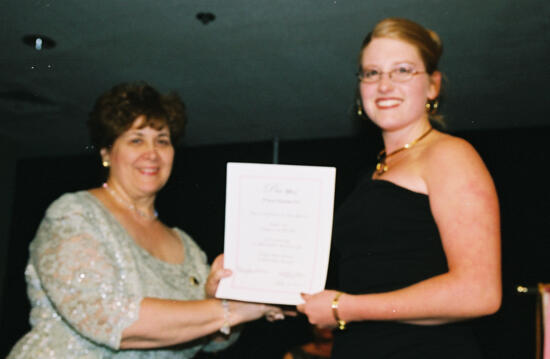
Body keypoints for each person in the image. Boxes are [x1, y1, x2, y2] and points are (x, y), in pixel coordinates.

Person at [7, 82, 283, 358]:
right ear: (106, 153)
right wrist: (231, 309)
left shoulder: (186, 245)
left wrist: (222, 299)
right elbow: (110, 319)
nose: (152, 153)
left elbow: (212, 340)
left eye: (162, 140)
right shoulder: (74, 214)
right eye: (136, 139)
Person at [297, 18, 501, 358]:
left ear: (433, 86)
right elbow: (371, 283)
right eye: (372, 73)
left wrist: (343, 308)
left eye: (403, 70)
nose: (384, 85)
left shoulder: (449, 154)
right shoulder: (373, 173)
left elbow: (479, 292)